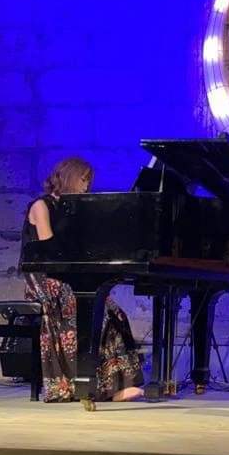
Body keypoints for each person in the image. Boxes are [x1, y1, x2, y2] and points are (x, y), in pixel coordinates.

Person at [21, 156, 143, 403]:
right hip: (44, 276)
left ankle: (112, 383)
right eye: (83, 179)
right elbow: (49, 250)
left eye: (89, 181)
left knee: (113, 312)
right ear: (69, 177)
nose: (86, 186)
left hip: (67, 275)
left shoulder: (74, 208)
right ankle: (83, 385)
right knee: (79, 308)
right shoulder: (42, 206)